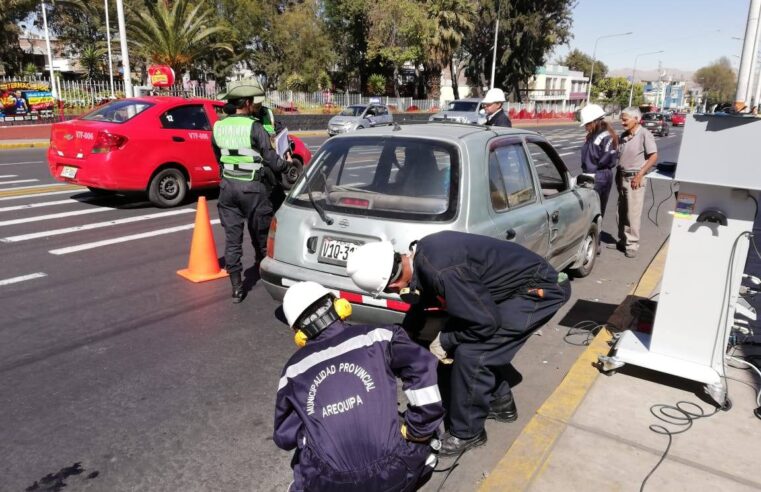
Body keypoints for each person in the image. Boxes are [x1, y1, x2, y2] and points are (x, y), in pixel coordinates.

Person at [346, 231, 571, 456]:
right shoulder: (424, 256)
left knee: (473, 353)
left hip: (538, 290)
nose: (393, 293)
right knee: (475, 343)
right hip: (512, 290)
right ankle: (500, 403)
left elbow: (486, 323)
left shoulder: (442, 271)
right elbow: (426, 304)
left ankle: (468, 433)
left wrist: (445, 340)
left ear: (393, 283)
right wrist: (408, 336)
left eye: (388, 290)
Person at [274, 281, 444, 491]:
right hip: (396, 472)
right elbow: (423, 367)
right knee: (426, 429)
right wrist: (418, 430)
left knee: (303, 453)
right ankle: (425, 460)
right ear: (339, 305)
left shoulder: (293, 371)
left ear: (299, 333)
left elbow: (285, 437)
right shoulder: (381, 337)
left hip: (332, 485)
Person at [212, 78, 292, 303]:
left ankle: (237, 287)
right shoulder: (253, 127)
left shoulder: (218, 126)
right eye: (252, 102)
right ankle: (266, 274)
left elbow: (218, 157)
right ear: (246, 102)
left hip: (227, 188)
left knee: (232, 239)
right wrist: (287, 163)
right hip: (253, 189)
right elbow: (273, 162)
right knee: (262, 235)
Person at [611, 107, 658, 258]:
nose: (622, 122)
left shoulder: (645, 134)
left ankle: (632, 244)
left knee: (633, 212)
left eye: (625, 119)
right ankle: (623, 240)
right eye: (622, 119)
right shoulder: (624, 136)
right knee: (622, 210)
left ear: (636, 119)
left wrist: (640, 174)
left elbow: (653, 156)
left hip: (634, 178)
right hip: (621, 176)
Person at [579, 104, 619, 225]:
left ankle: (590, 240)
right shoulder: (609, 134)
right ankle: (597, 237)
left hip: (595, 176)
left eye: (587, 124)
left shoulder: (595, 139)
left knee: (589, 213)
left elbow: (590, 162)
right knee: (600, 211)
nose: (586, 127)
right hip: (607, 175)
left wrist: (584, 180)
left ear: (594, 121)